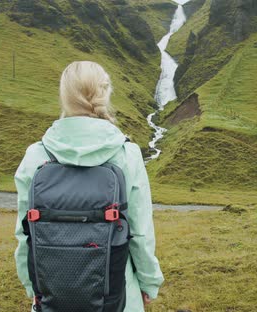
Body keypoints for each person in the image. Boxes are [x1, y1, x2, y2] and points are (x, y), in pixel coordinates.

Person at [13, 61, 164, 311]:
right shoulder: (127, 154)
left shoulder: (36, 156)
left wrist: (33, 286)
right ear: (105, 92)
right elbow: (140, 231)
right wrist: (149, 281)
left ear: (64, 96)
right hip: (118, 293)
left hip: (51, 294)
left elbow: (24, 233)